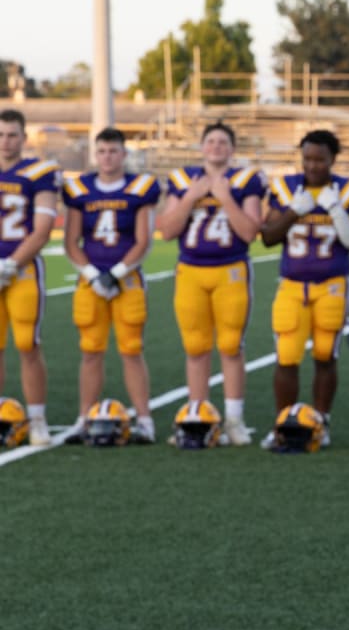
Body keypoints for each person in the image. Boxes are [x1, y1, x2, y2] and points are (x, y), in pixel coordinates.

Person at [156, 122, 265, 446]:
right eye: (211, 141)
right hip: (190, 270)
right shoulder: (182, 180)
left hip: (230, 270)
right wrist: (191, 197)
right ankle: (198, 416)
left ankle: (233, 419)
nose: (216, 146)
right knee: (195, 346)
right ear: (202, 147)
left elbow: (249, 232)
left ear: (232, 149)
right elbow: (167, 230)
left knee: (231, 346)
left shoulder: (246, 180)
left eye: (223, 142)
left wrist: (224, 199)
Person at [259, 130, 349, 448]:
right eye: (307, 159)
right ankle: (284, 422)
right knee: (286, 356)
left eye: (320, 159)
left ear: (333, 159)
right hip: (292, 284)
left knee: (324, 356)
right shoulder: (285, 188)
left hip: (332, 284)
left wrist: (335, 210)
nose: (313, 165)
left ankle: (321, 421)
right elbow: (268, 237)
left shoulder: (347, 190)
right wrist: (293, 211)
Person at [62, 127, 161, 444]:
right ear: (95, 154)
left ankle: (144, 420)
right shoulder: (80, 189)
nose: (107, 157)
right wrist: (93, 275)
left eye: (113, 151)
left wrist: (117, 272)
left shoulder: (141, 187)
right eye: (102, 151)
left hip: (127, 278)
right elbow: (71, 241)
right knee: (90, 350)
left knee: (131, 349)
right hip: (91, 280)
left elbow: (144, 241)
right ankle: (83, 417)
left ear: (124, 154)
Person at [0, 109, 58, 446]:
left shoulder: (39, 173)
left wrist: (10, 265)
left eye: (11, 134)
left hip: (22, 271)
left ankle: (37, 419)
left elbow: (43, 229)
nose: (5, 141)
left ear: (23, 138)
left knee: (28, 345)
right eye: (1, 134)